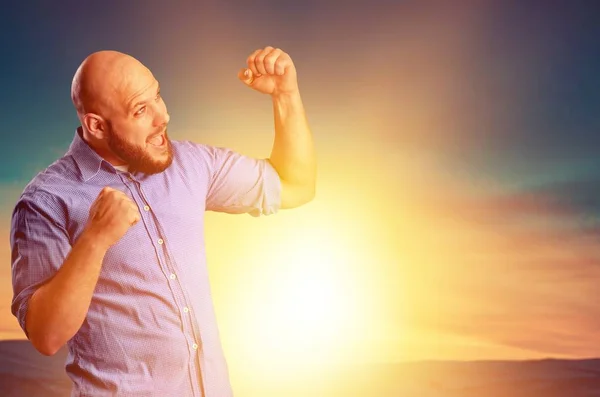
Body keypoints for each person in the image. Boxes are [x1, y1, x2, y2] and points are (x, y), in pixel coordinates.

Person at [10, 47, 316, 397]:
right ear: (96, 125)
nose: (163, 116)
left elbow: (295, 186)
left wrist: (286, 95)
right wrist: (95, 240)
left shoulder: (192, 164)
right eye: (141, 109)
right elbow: (46, 335)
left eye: (157, 95)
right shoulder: (45, 200)